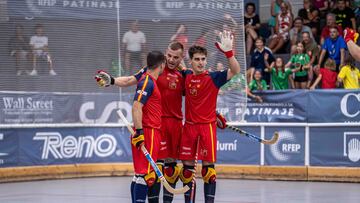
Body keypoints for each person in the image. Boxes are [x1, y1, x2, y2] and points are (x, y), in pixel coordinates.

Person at [95, 41, 186, 203]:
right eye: (169, 56)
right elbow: (130, 81)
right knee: (150, 172)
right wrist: (113, 80)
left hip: (173, 125)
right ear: (165, 56)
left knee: (168, 170)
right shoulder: (149, 74)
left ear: (181, 58)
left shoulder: (184, 74)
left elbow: (198, 95)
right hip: (152, 127)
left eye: (176, 57)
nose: (172, 60)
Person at [178, 30, 240, 203]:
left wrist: (229, 53)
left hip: (207, 128)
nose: (200, 62)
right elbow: (177, 64)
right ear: (191, 61)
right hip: (189, 127)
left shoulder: (214, 78)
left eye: (203, 59)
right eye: (197, 59)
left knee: (209, 172)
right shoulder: (187, 75)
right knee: (187, 170)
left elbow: (235, 70)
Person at [130, 51, 166, 203]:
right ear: (162, 65)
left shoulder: (149, 81)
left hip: (149, 132)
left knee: (140, 174)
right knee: (146, 175)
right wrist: (140, 132)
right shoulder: (147, 82)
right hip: (148, 132)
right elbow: (136, 107)